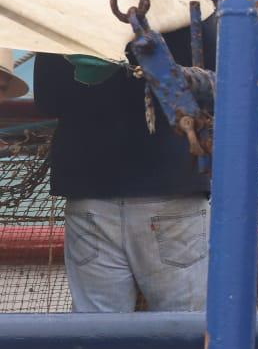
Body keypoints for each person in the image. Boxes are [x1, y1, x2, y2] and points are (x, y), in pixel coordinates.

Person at [32, 21, 217, 312]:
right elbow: (221, 87)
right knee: (185, 329)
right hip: (173, 190)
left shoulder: (64, 8)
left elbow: (47, 99)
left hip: (91, 192)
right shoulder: (192, 8)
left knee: (97, 332)